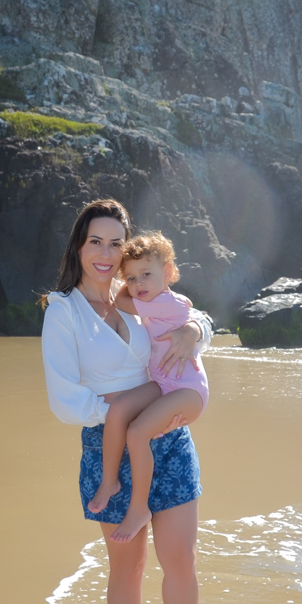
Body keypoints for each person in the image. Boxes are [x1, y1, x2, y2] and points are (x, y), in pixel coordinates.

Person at [41, 199, 214, 604]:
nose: (106, 252)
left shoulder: (137, 293)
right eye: (96, 240)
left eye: (116, 242)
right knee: (128, 568)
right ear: (78, 244)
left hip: (171, 437)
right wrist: (114, 406)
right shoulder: (63, 310)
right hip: (110, 444)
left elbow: (193, 312)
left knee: (181, 559)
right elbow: (64, 398)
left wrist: (195, 331)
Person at [86, 231, 209, 546]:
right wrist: (125, 282)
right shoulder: (151, 300)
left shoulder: (167, 303)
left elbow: (119, 301)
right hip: (164, 383)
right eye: (131, 277)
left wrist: (119, 286)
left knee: (137, 432)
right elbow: (125, 299)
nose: (138, 284)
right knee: (119, 411)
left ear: (167, 273)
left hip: (188, 391)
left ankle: (138, 508)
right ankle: (110, 482)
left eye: (146, 275)